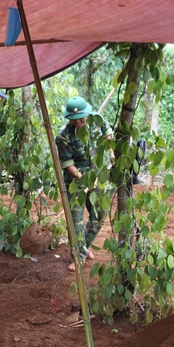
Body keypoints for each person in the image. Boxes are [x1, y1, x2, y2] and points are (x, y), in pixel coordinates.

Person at [54, 95, 114, 272]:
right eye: (74, 119)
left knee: (100, 213)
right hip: (76, 182)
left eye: (81, 117)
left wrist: (111, 152)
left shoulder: (96, 120)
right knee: (76, 222)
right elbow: (68, 165)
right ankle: (78, 256)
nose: (79, 121)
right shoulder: (63, 137)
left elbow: (108, 132)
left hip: (97, 175)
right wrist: (85, 179)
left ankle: (85, 247)